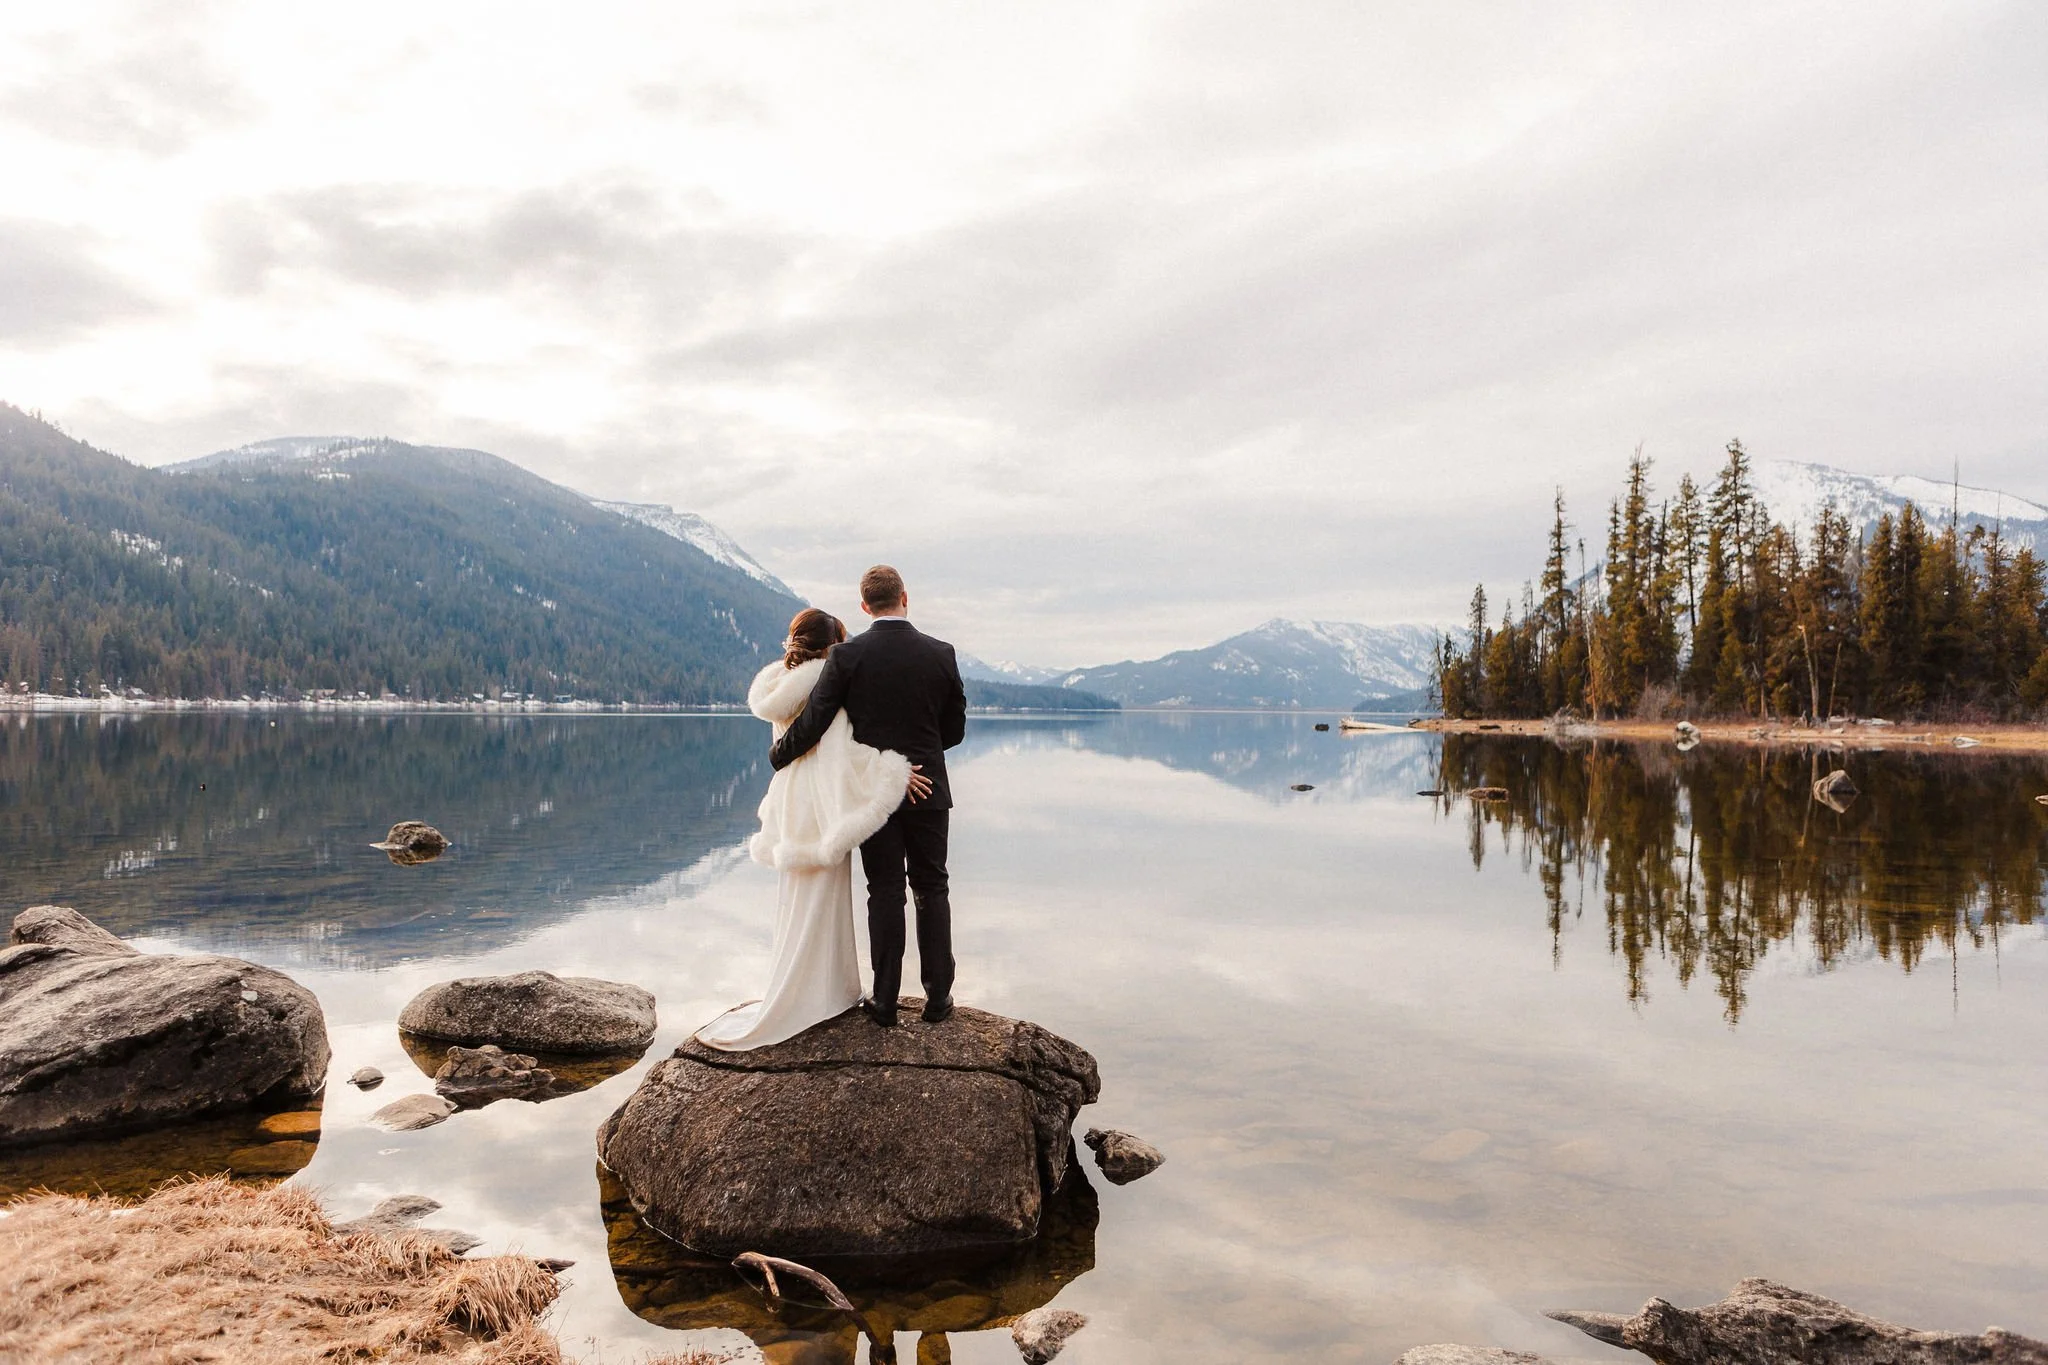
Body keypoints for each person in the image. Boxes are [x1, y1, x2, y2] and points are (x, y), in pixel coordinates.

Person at [693, 607, 934, 1051]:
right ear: (831, 645)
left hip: (789, 800)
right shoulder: (826, 679)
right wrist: (895, 771)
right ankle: (817, 997)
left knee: (796, 901)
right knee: (822, 899)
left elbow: (791, 749)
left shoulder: (776, 687)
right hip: (820, 803)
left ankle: (803, 989)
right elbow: (839, 754)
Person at [770, 565, 968, 1027]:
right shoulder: (942, 653)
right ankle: (938, 998)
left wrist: (779, 755)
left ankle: (885, 1001)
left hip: (870, 792)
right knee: (932, 886)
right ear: (905, 597)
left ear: (864, 606)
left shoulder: (848, 655)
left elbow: (816, 720)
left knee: (884, 892)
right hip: (928, 785)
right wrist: (920, 753)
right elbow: (954, 730)